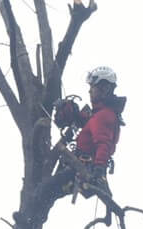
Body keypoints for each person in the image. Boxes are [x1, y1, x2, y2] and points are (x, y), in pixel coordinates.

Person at [50, 65, 127, 199]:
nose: (89, 91)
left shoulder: (104, 115)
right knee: (47, 194)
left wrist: (99, 171)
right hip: (78, 166)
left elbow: (104, 143)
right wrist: (68, 110)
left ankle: (28, 217)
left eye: (93, 87)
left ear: (105, 89)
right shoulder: (98, 113)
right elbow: (82, 120)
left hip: (81, 167)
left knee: (45, 191)